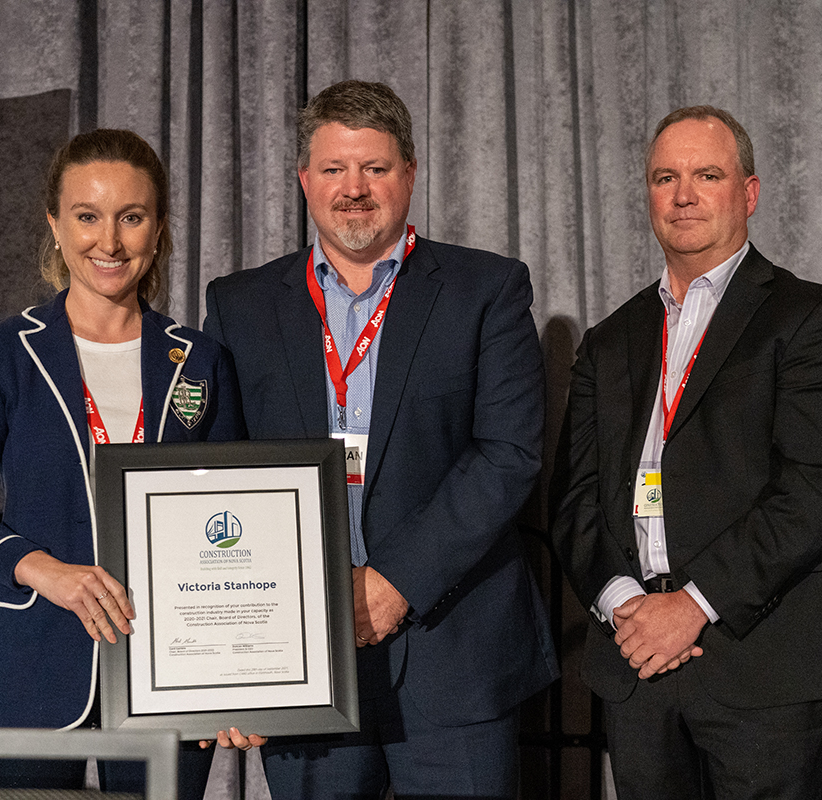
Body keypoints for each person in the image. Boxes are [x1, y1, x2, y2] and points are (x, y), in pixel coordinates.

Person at [204, 80, 559, 799]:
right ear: (305, 179)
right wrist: (228, 662)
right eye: (334, 169)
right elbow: (218, 477)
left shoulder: (487, 289)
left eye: (375, 168)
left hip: (454, 653)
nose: (353, 189)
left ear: (411, 173)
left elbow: (507, 454)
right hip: (300, 657)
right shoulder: (239, 305)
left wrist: (396, 581)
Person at [549, 105, 822, 799]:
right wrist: (623, 604)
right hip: (635, 663)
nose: (684, 194)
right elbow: (573, 500)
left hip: (759, 661)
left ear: (748, 193)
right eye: (665, 177)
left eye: (706, 174)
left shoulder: (810, 318)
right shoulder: (609, 341)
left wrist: (693, 604)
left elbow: (815, 487)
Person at [0, 129, 257, 794]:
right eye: (87, 216)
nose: (108, 241)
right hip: (29, 666)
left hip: (169, 673)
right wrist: (45, 572)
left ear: (158, 228)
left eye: (131, 217)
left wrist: (239, 673)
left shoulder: (199, 360)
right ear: (54, 223)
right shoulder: (3, 352)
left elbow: (234, 522)